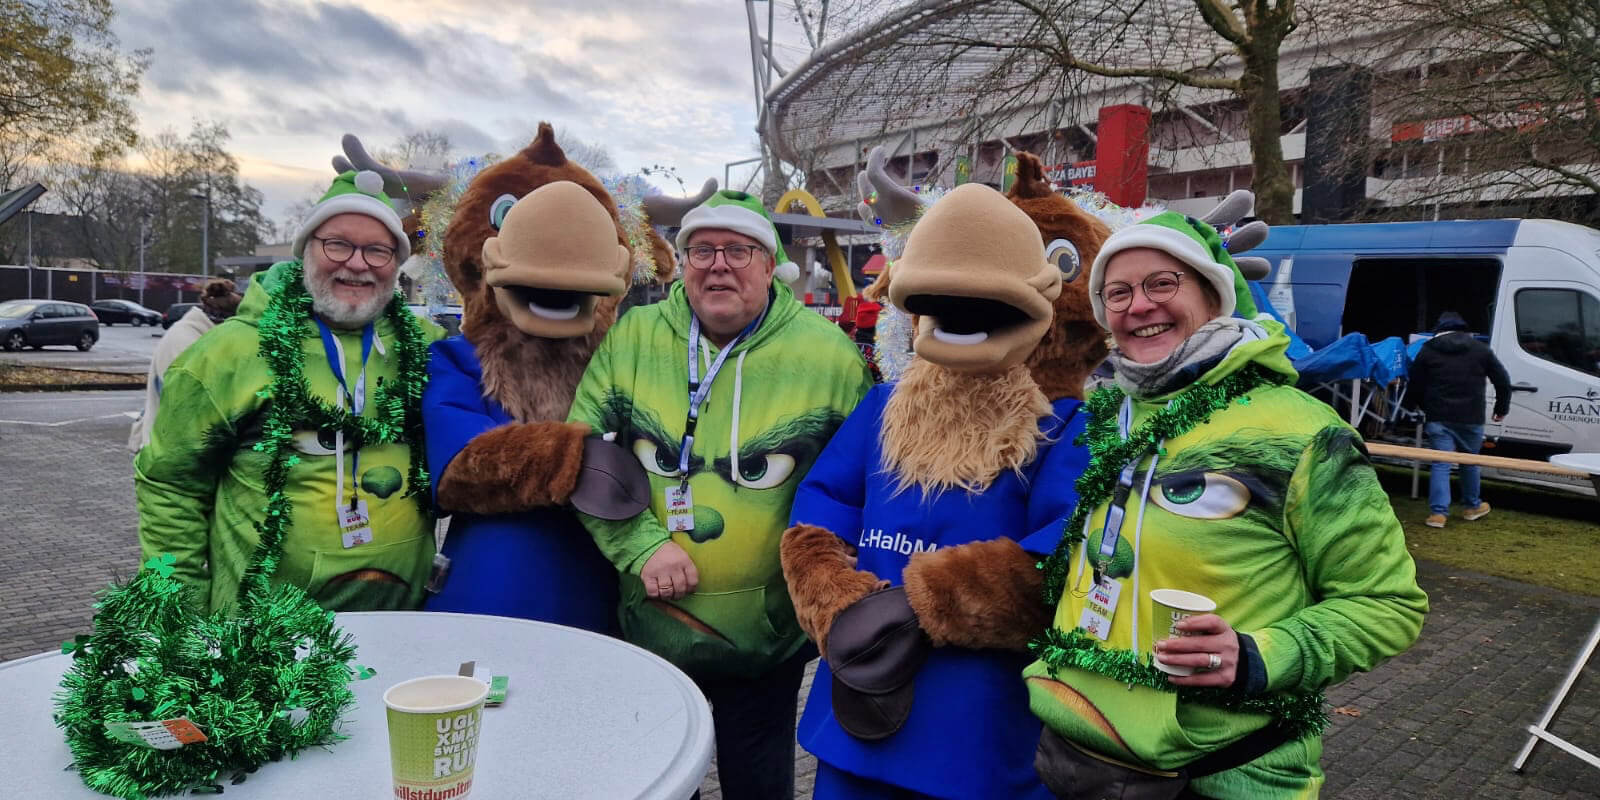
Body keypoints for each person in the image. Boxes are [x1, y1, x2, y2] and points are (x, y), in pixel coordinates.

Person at [1018, 211, 1428, 798]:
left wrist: (1257, 657)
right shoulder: (1103, 417)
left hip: (1226, 771)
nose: (1139, 305)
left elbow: (1387, 604)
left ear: (1214, 294)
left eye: (1163, 283)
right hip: (1079, 753)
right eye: (1118, 292)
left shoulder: (1300, 431)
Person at [568, 189, 873, 799]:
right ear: (683, 263)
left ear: (771, 265)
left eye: (739, 250)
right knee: (658, 785)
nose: (718, 265)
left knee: (759, 788)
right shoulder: (634, 337)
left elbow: (858, 482)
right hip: (650, 632)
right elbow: (580, 451)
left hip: (765, 643)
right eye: (702, 250)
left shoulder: (829, 356)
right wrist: (640, 546)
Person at [136, 170, 444, 613]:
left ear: (397, 263)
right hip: (264, 636)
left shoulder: (428, 346)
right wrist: (177, 615)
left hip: (404, 624)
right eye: (338, 244)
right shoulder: (226, 354)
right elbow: (171, 488)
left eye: (378, 250)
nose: (357, 264)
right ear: (305, 250)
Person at [1408, 311, 1512, 528]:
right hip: (1471, 416)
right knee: (1470, 461)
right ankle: (1472, 506)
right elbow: (1502, 380)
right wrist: (1501, 408)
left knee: (1441, 463)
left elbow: (1415, 384)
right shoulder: (1480, 349)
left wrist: (1417, 407)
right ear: (1464, 329)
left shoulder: (1428, 350)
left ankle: (1438, 514)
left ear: (1439, 329)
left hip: (1438, 416)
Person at [128, 279, 243, 452]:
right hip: (170, 450)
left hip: (178, 446)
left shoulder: (199, 335)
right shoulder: (184, 340)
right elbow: (189, 401)